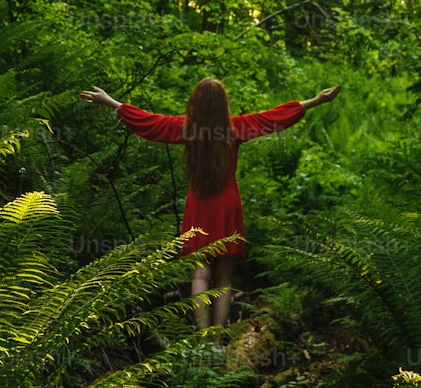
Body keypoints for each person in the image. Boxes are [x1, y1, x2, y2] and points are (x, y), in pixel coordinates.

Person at [79, 77, 340, 330]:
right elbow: (272, 118)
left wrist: (111, 102)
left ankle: (202, 335)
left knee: (200, 274)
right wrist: (316, 100)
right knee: (224, 276)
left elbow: (149, 121)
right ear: (222, 104)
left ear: (195, 103)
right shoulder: (236, 127)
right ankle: (217, 337)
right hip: (228, 205)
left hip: (199, 204)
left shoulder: (184, 128)